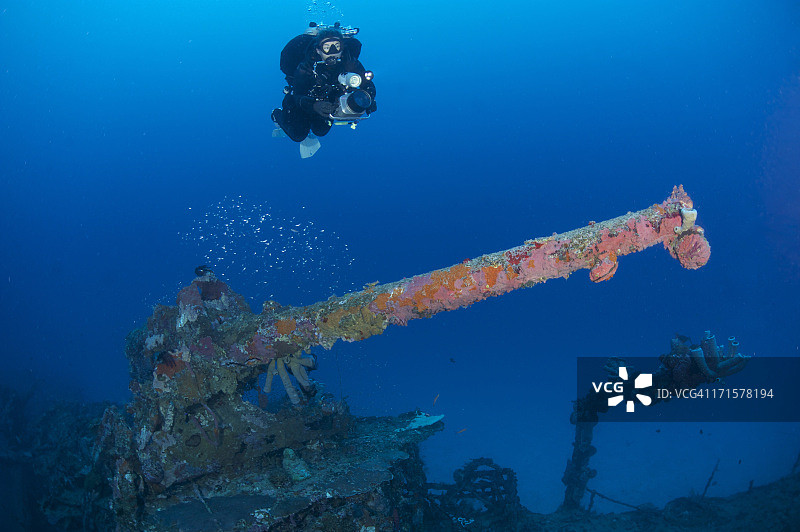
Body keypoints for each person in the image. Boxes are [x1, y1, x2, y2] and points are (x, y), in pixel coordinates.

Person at [271, 23, 377, 150]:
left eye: (336, 46)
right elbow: (298, 95)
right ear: (318, 50)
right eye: (327, 47)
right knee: (298, 134)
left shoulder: (349, 62)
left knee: (320, 131)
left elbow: (368, 84)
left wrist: (368, 98)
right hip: (302, 101)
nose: (332, 52)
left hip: (328, 102)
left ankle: (311, 127)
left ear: (342, 48)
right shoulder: (306, 67)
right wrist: (313, 106)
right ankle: (276, 115)